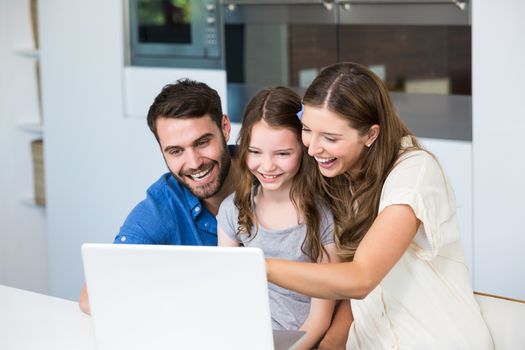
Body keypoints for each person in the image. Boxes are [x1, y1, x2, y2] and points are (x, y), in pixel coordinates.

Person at [78, 79, 350, 350]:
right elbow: (93, 296)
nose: (194, 162)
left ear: (225, 127)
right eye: (175, 151)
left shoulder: (293, 179)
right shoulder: (164, 207)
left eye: (202, 142)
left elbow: (352, 283)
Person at [265, 63, 494, 349]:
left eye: (331, 138)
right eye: (307, 130)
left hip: (433, 341)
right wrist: (333, 342)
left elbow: (361, 277)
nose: (312, 148)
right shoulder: (340, 173)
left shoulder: (414, 173)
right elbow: (348, 285)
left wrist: (260, 267)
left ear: (371, 134)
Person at [217, 87, 348, 349]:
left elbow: (319, 321)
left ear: (304, 148)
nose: (267, 166)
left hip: (299, 341)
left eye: (283, 154)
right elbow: (227, 291)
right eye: (255, 152)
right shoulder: (233, 210)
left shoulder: (322, 216)